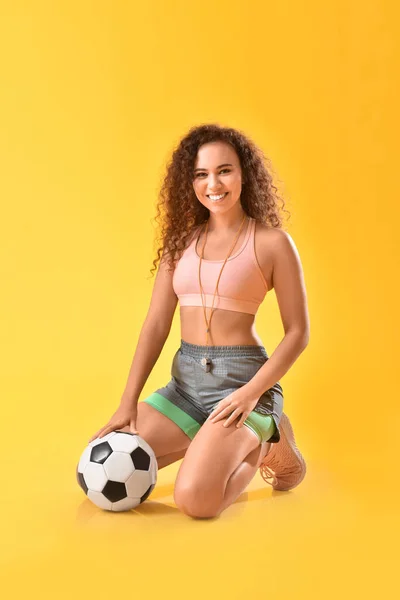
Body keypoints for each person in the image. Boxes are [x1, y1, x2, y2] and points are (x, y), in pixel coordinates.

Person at [88, 123, 310, 519]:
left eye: (224, 170)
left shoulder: (272, 243)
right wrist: (127, 403)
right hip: (185, 386)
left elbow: (298, 333)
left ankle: (267, 441)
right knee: (113, 461)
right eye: (201, 174)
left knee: (194, 501)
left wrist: (248, 395)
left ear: (244, 174)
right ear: (188, 182)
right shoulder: (180, 245)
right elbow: (156, 325)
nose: (214, 183)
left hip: (244, 383)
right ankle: (215, 442)